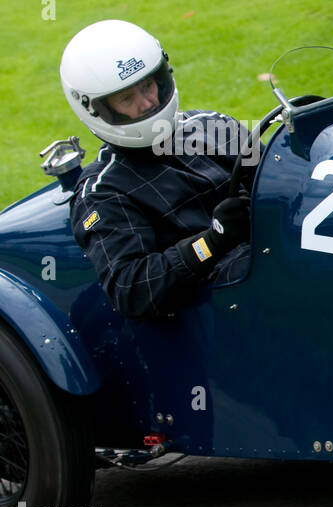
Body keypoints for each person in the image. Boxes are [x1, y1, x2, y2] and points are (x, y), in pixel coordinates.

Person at [61, 20, 253, 320]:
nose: (148, 102)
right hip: (219, 313)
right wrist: (213, 241)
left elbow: (285, 186)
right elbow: (132, 288)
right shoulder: (104, 192)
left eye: (148, 85)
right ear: (95, 108)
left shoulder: (215, 127)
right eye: (127, 98)